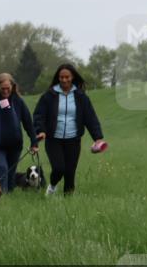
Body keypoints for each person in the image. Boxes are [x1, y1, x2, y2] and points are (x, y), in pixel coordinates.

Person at [33, 63, 105, 195]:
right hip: (54, 139)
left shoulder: (80, 96)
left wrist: (98, 138)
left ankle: (69, 201)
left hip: (73, 139)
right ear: (58, 77)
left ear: (72, 77)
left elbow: (90, 118)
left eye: (67, 77)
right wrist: (41, 130)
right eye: (61, 77)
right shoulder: (49, 95)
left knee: (70, 172)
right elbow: (39, 115)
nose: (64, 80)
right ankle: (52, 186)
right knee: (59, 168)